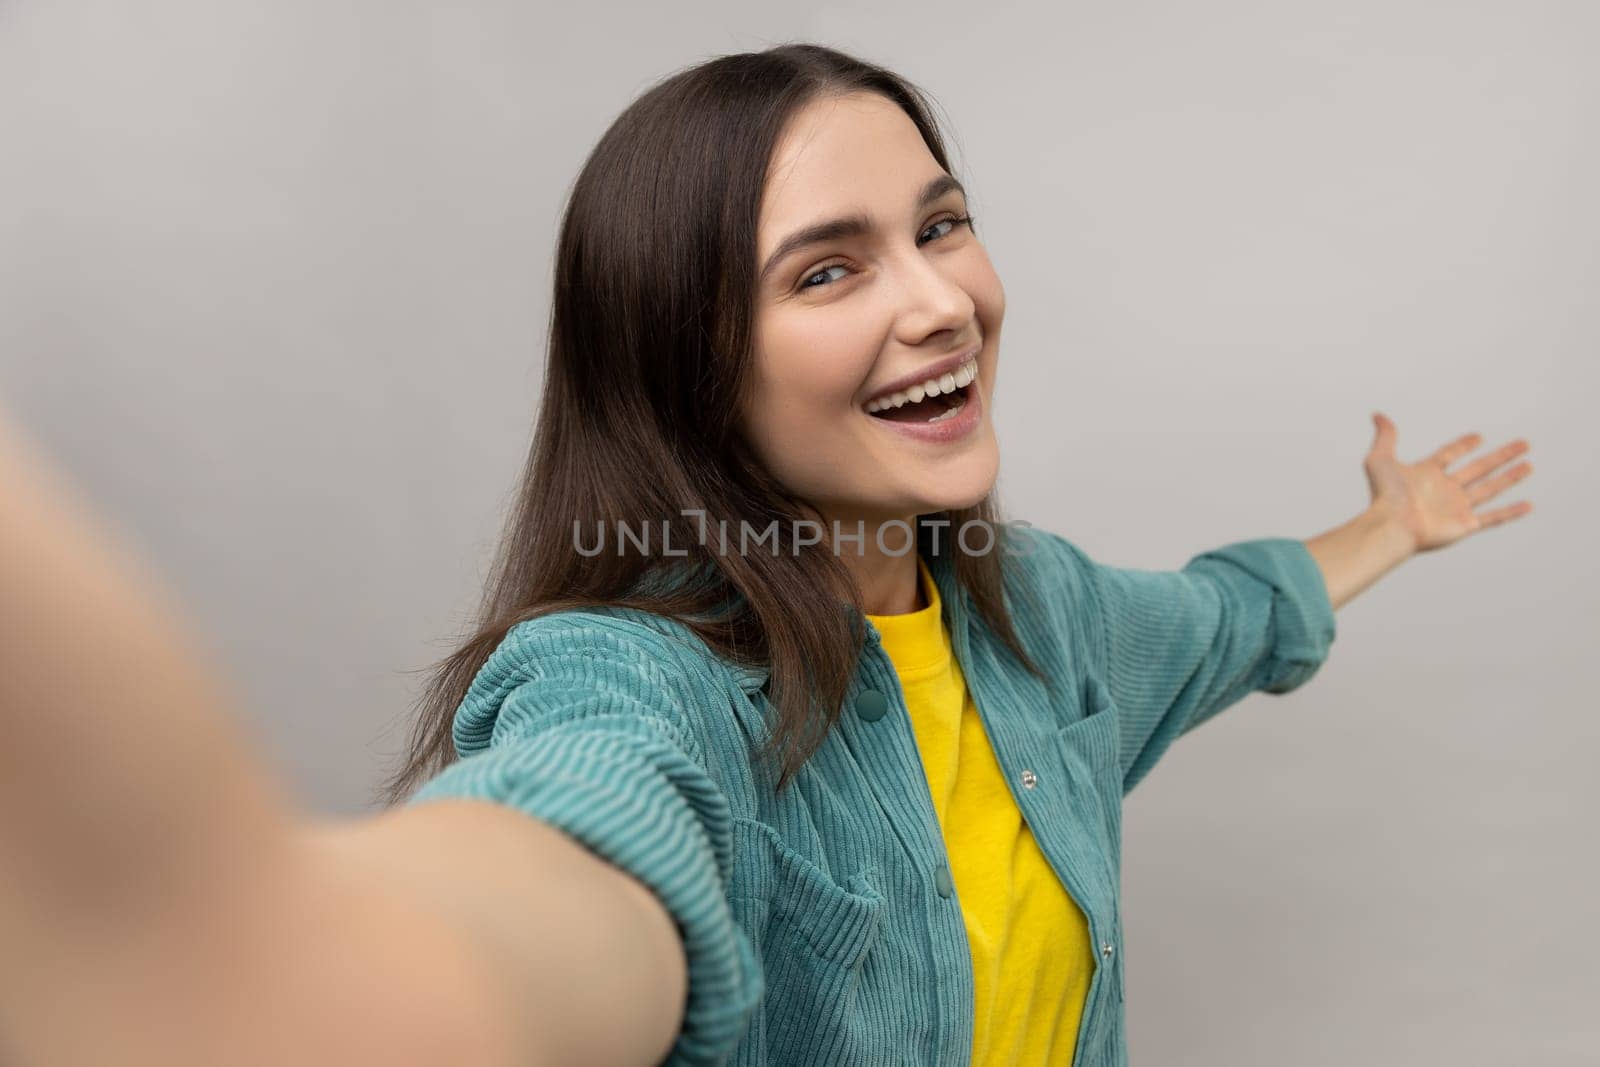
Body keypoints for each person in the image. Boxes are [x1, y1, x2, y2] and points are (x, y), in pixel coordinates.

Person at [0, 42, 1535, 1067]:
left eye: (941, 226)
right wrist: (304, 962)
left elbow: (1222, 616)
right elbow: (580, 846)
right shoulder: (642, 679)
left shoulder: (1047, 618)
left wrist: (1391, 528)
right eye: (829, 269)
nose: (937, 301)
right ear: (689, 362)